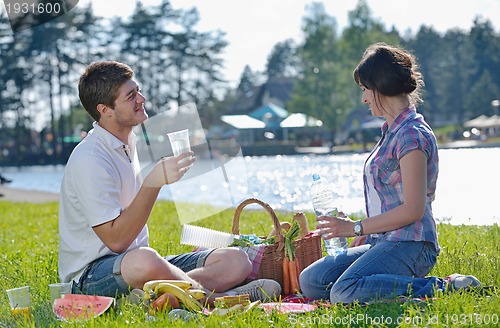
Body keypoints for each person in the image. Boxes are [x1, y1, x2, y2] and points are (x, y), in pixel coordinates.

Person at [58, 61, 280, 305]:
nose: (142, 98)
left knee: (236, 259)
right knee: (145, 260)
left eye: (138, 90)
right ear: (105, 110)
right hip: (92, 276)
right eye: (131, 96)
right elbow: (116, 241)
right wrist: (153, 183)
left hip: (132, 262)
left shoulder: (127, 143)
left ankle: (162, 298)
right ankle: (218, 300)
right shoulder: (91, 157)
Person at [299, 43, 480, 304]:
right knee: (311, 280)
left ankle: (445, 286)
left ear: (380, 86)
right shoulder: (391, 132)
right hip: (383, 242)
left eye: (364, 89)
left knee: (343, 291)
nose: (363, 98)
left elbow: (413, 211)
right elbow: (388, 201)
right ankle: (379, 288)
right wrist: (362, 227)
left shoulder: (411, 135)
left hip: (412, 245)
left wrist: (354, 228)